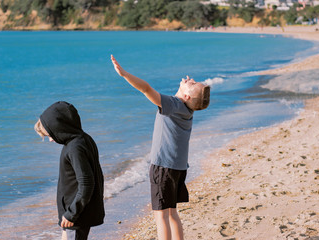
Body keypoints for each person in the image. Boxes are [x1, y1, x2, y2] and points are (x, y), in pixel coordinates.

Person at [111, 55, 210, 240]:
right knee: (172, 213)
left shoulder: (174, 104)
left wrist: (124, 74)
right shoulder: (187, 110)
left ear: (186, 96)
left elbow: (146, 89)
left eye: (193, 83)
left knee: (161, 216)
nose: (191, 79)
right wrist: (187, 88)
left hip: (163, 167)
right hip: (178, 169)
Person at [34, 101, 105, 240]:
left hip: (76, 216)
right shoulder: (84, 139)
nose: (50, 140)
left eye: (50, 135)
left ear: (59, 127)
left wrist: (71, 213)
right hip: (78, 212)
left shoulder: (74, 148)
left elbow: (86, 183)